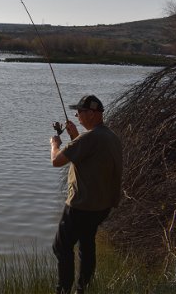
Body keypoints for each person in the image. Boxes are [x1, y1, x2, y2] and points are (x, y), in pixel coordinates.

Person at [49, 95, 122, 294]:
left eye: (80, 112)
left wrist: (54, 143)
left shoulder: (89, 138)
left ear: (92, 113)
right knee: (86, 245)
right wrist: (75, 136)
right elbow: (90, 160)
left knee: (61, 247)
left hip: (81, 205)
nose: (76, 115)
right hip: (101, 206)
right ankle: (83, 289)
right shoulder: (110, 137)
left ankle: (63, 290)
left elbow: (56, 161)